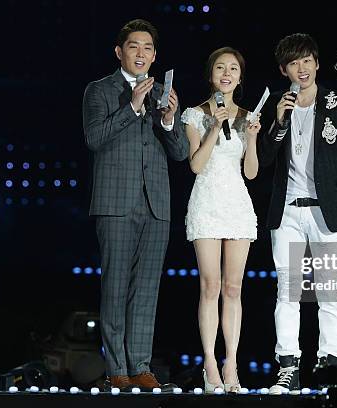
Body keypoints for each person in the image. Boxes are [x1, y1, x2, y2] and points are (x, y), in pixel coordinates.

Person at [257, 33, 337, 394]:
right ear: (284, 70)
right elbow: (262, 161)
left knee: (328, 291)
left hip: (328, 211)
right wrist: (278, 123)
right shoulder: (278, 105)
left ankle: (331, 364)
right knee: (288, 292)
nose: (303, 68)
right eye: (294, 63)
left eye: (307, 60)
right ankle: (288, 368)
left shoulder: (336, 100)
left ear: (316, 62)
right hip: (288, 212)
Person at [82, 19, 189, 392]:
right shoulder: (99, 90)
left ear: (155, 55)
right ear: (119, 51)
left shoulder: (164, 93)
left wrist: (170, 119)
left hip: (156, 204)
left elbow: (180, 153)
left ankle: (140, 365)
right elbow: (95, 138)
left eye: (147, 48)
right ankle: (117, 368)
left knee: (146, 290)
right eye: (133, 46)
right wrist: (132, 106)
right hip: (116, 203)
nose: (141, 53)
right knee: (114, 287)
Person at [180, 47, 261, 393]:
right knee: (210, 286)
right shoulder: (194, 114)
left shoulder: (247, 116)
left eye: (233, 69)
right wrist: (215, 126)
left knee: (233, 288)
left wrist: (253, 138)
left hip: (237, 205)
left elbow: (252, 172)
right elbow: (196, 165)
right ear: (211, 75)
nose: (226, 74)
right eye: (220, 68)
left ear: (240, 78)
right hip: (207, 202)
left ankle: (232, 364)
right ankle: (210, 363)